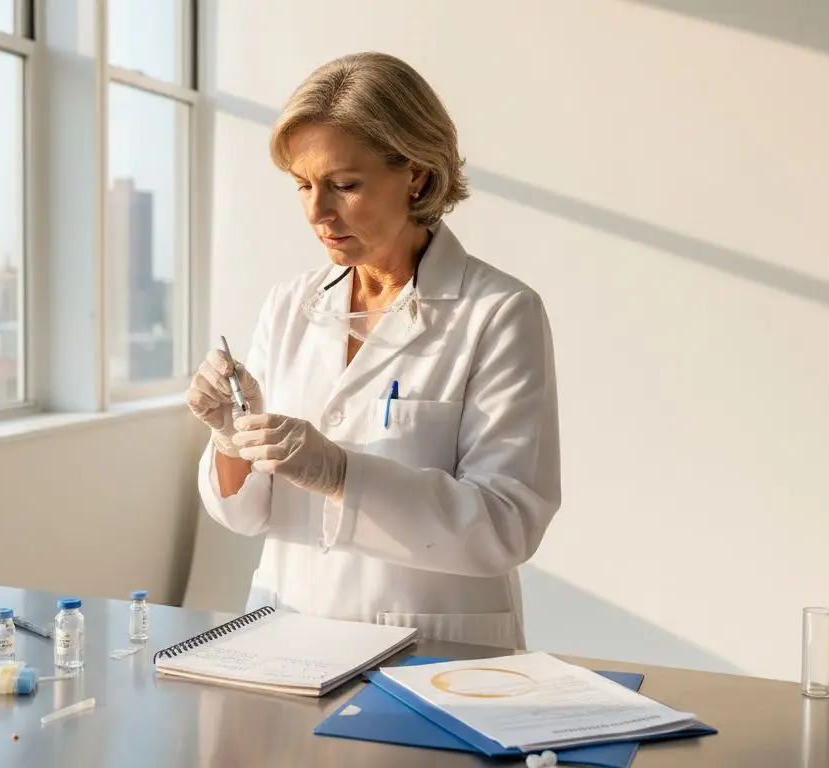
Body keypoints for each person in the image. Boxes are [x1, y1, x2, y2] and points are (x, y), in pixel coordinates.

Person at [186, 51, 560, 649]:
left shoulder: (498, 312)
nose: (317, 212)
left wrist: (341, 474)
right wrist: (231, 437)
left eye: (344, 185)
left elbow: (506, 525)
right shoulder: (289, 304)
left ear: (414, 173)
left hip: (430, 649)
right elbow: (246, 516)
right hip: (287, 636)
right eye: (304, 185)